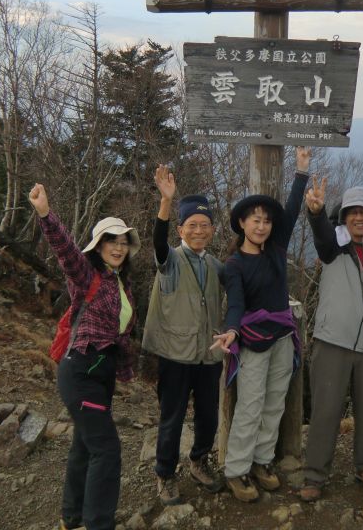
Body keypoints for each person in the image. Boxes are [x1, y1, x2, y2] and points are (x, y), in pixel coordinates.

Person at [28, 183, 139, 530]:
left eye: (123, 243)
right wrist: (46, 214)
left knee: (85, 445)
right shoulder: (86, 275)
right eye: (112, 241)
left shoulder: (121, 285)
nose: (119, 248)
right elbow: (65, 250)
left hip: (100, 374)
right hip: (81, 372)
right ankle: (97, 524)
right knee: (107, 449)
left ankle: (71, 518)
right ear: (99, 246)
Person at [210, 146, 312, 503]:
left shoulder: (276, 249)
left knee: (274, 404)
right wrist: (233, 330)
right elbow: (236, 303)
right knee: (250, 406)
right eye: (254, 219)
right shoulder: (234, 265)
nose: (262, 225)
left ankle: (261, 461)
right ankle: (237, 470)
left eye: (266, 220)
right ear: (241, 223)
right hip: (253, 341)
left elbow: (293, 211)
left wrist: (301, 172)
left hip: (283, 336)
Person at [299, 182, 363, 501]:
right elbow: (321, 235)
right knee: (326, 410)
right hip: (333, 340)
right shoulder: (335, 242)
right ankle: (314, 475)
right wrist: (315, 211)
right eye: (353, 212)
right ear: (343, 216)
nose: (359, 217)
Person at [142, 166, 225, 505]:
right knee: (172, 416)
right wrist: (166, 201)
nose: (199, 231)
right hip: (175, 355)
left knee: (208, 414)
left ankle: (199, 460)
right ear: (181, 229)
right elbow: (157, 243)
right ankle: (165, 474)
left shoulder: (218, 266)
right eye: (192, 225)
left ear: (213, 230)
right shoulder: (171, 261)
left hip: (208, 354)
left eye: (205, 225)